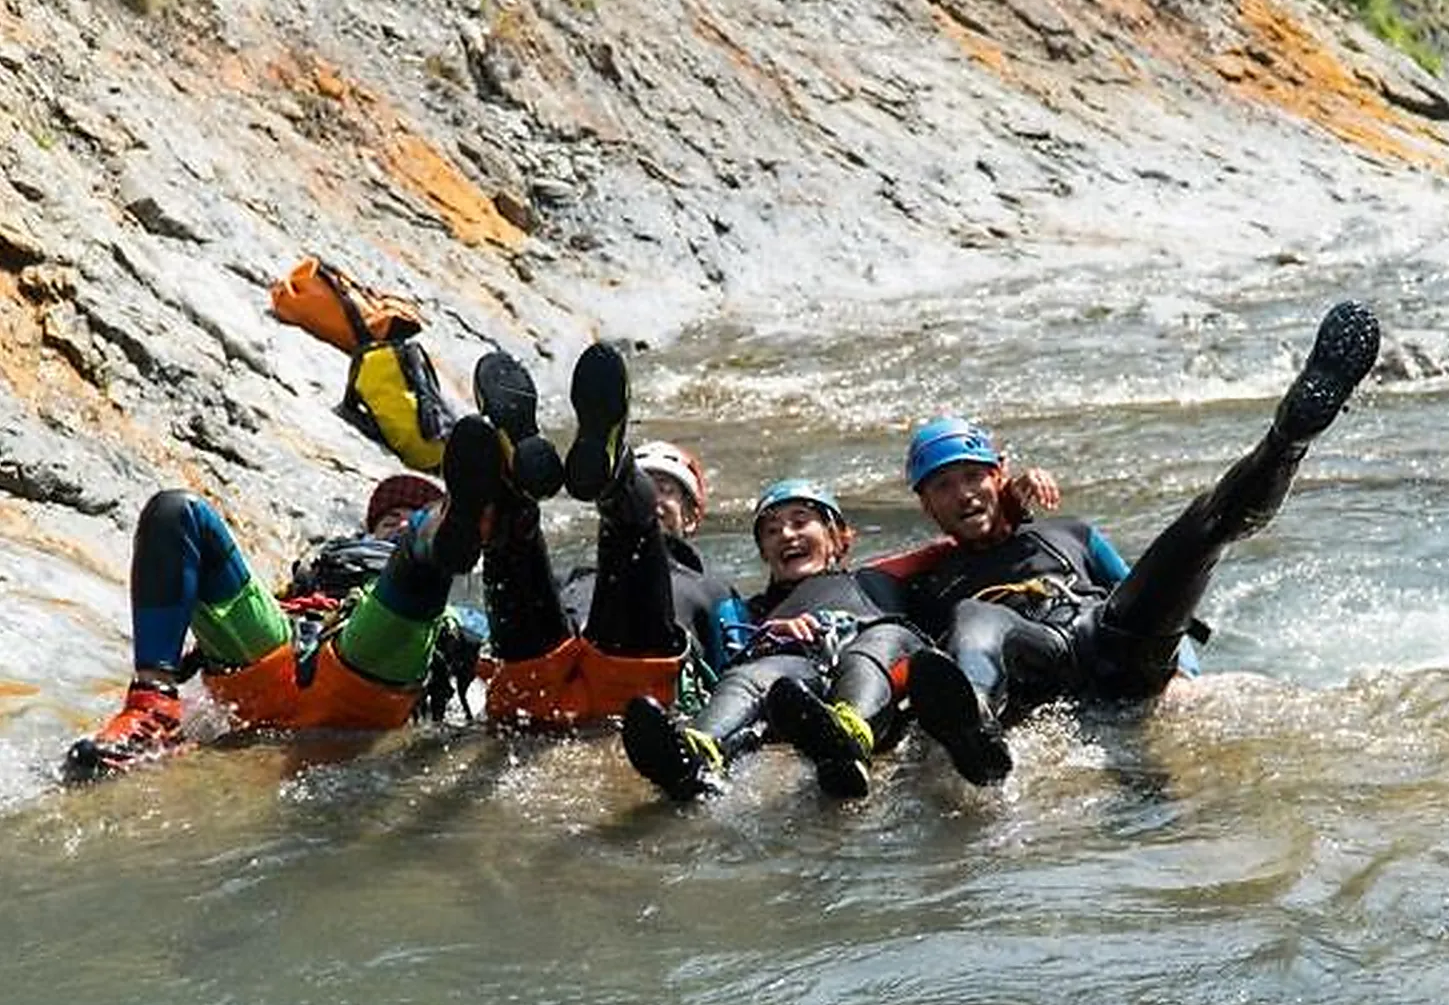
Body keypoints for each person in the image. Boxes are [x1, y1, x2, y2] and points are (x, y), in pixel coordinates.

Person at [898, 300, 1382, 786]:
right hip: (1039, 661)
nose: (963, 494)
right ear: (927, 507)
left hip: (1110, 639)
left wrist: (1182, 674)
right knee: (974, 615)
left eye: (972, 477)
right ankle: (975, 725)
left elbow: (1148, 595)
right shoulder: (931, 581)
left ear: (997, 477)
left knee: (1203, 523)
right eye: (942, 486)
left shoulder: (1069, 535)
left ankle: (1289, 436)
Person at [62, 415, 507, 783]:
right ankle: (151, 713)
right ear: (369, 528)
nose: (397, 521)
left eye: (411, 516)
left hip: (367, 670)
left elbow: (487, 655)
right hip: (277, 661)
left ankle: (442, 533)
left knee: (418, 561)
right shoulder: (319, 567)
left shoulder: (444, 605)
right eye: (391, 517)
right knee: (175, 511)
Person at [469, 343, 744, 729]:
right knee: (514, 542)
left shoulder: (715, 590)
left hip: (632, 678)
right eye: (650, 485)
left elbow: (738, 670)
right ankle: (513, 485)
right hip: (545, 672)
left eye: (665, 489)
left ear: (693, 515)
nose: (658, 497)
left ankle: (613, 481)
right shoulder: (572, 577)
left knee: (630, 533)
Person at [621, 479, 927, 801]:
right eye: (772, 530)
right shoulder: (753, 613)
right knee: (747, 676)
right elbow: (726, 663)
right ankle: (697, 751)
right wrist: (769, 636)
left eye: (800, 521)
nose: (786, 535)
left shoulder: (876, 582)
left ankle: (851, 736)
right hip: (796, 683)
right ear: (765, 553)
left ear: (837, 537)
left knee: (879, 640)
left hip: (870, 661)